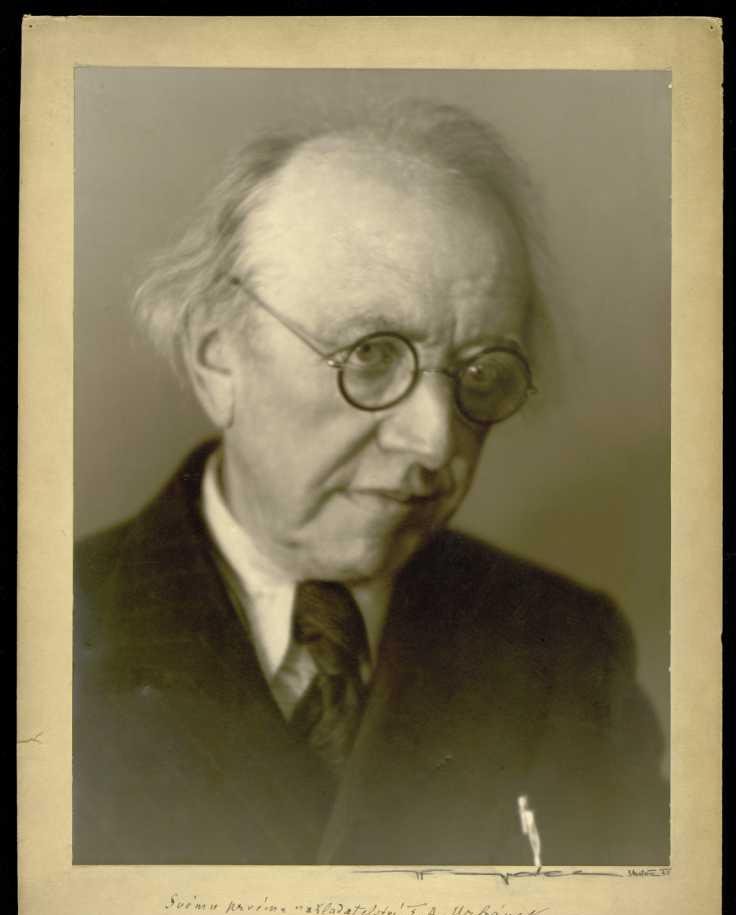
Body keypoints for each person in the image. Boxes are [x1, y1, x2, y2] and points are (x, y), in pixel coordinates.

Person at [73, 99, 668, 866]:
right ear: (217, 358)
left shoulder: (565, 650)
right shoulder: (50, 636)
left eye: (479, 373)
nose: (435, 438)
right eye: (371, 356)